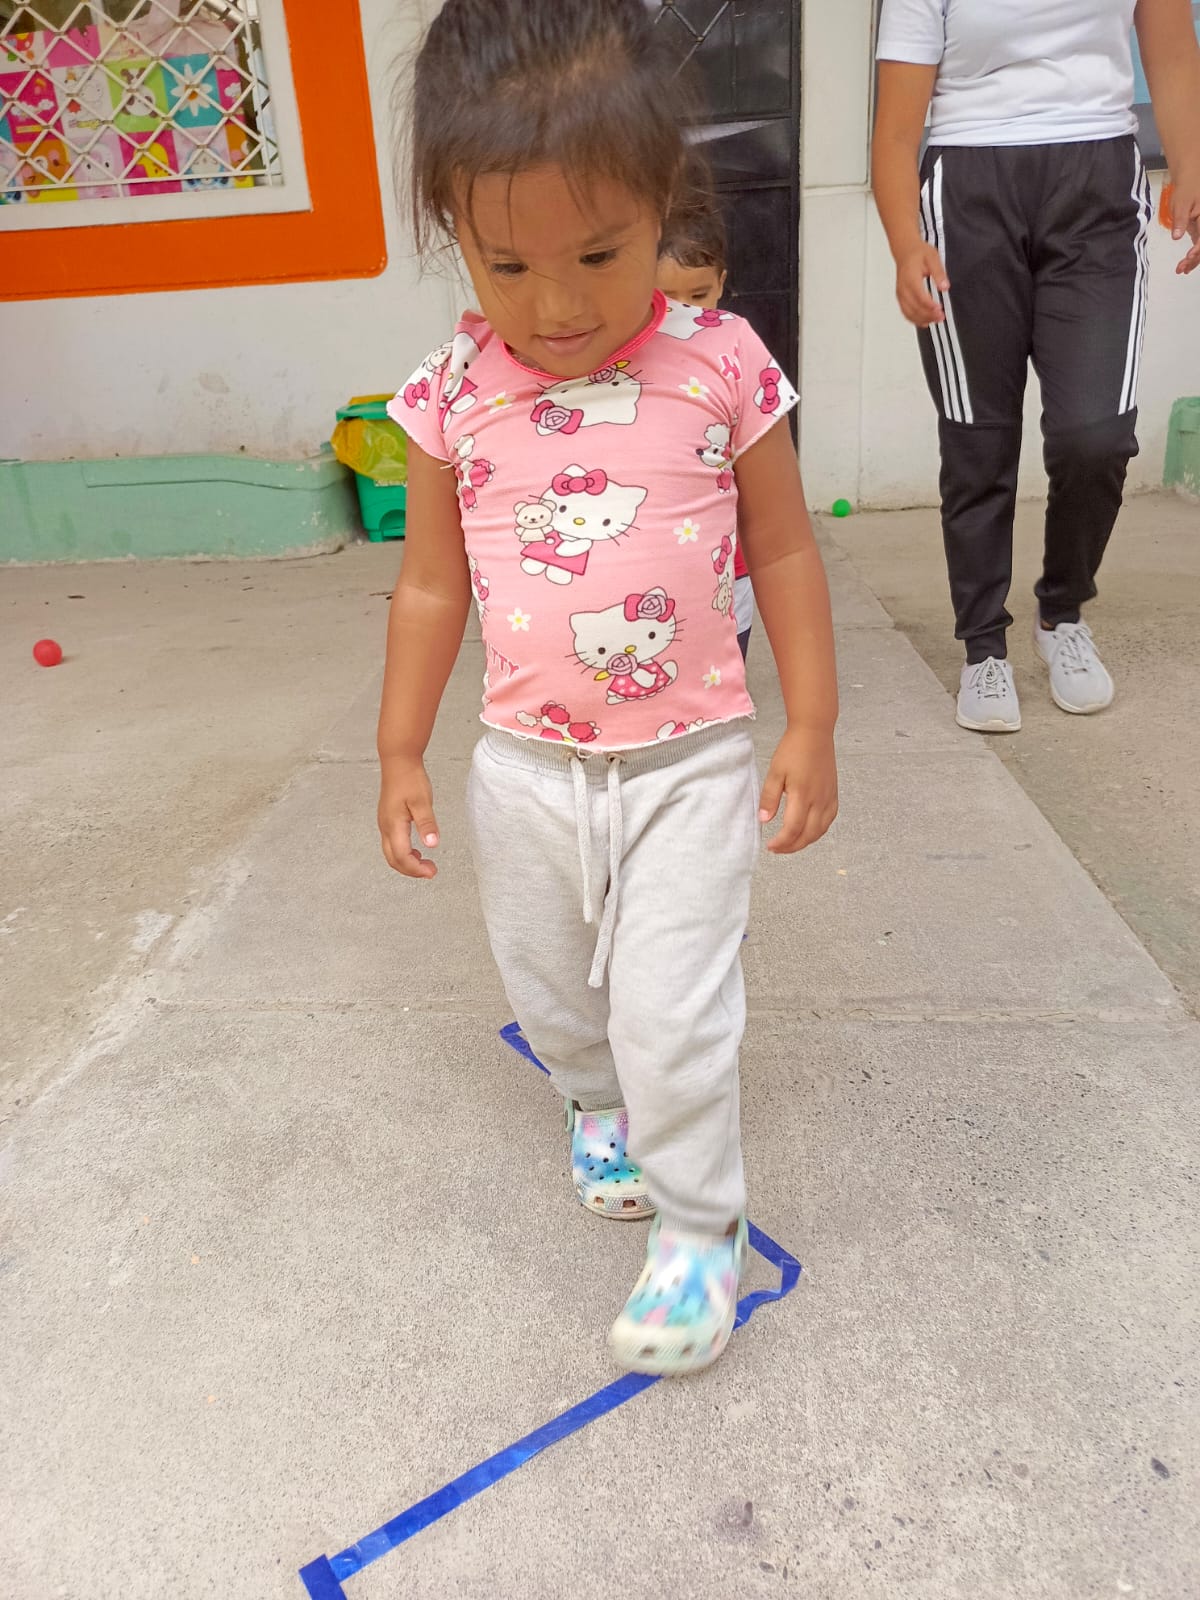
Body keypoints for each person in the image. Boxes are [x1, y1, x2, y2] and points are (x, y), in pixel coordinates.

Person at [378, 0, 838, 1378]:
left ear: (661, 203)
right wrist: (400, 750)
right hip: (524, 767)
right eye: (509, 264)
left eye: (600, 252)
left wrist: (812, 718)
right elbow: (431, 588)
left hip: (690, 760)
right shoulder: (451, 394)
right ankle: (593, 1102)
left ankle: (700, 1229)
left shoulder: (723, 364)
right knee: (556, 990)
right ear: (454, 233)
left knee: (671, 1010)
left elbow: (786, 547)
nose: (559, 306)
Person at [872, 0, 1200, 733]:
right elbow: (895, 125)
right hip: (968, 185)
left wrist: (1192, 165)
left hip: (1096, 182)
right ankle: (983, 646)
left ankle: (1062, 614)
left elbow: (1174, 51)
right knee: (978, 438)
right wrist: (904, 243)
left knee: (1097, 435)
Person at [655, 182, 758, 662]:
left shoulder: (738, 356)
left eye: (699, 294)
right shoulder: (625, 364)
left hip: (730, 570)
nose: (684, 311)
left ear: (721, 281)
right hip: (658, 574)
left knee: (724, 676)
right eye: (665, 296)